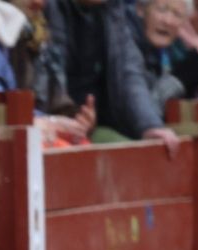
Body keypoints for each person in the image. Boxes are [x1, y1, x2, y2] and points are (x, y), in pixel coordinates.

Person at [34, 0, 180, 150]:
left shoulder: (112, 8)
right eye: (162, 10)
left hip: (90, 123)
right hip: (42, 126)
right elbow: (43, 80)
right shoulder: (45, 7)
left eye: (177, 14)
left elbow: (127, 68)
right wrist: (55, 119)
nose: (167, 20)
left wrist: (150, 125)